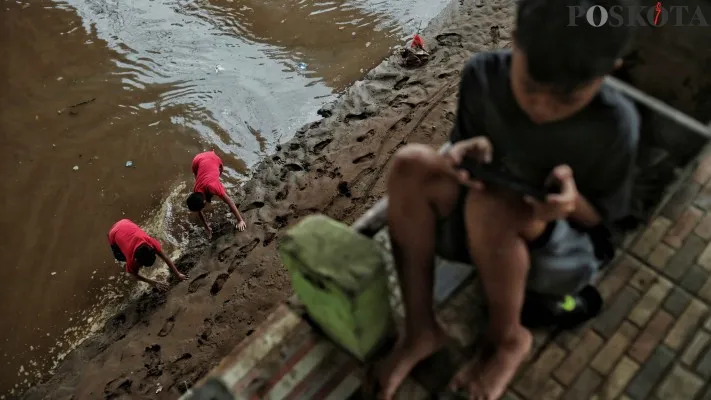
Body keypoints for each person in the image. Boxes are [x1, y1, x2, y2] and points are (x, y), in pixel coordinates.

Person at [375, 0, 639, 399]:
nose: (542, 108)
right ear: (514, 42)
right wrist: (460, 154)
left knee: (494, 206)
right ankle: (419, 331)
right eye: (531, 87)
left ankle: (507, 339)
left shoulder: (615, 125)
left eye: (566, 100)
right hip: (482, 231)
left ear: (610, 71)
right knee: (410, 166)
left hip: (557, 253)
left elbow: (602, 222)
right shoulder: (483, 76)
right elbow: (465, 151)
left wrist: (569, 205)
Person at [108, 219, 188, 291]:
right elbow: (133, 275)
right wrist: (153, 282)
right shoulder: (131, 259)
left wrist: (178, 274)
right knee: (121, 258)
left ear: (153, 250)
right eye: (142, 265)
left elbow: (165, 257)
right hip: (113, 233)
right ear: (136, 260)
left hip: (126, 222)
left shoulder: (151, 242)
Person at [186, 150, 247, 238]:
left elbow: (230, 202)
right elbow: (199, 209)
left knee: (218, 177)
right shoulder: (196, 188)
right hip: (197, 160)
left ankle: (211, 190)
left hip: (213, 158)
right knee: (200, 179)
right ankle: (208, 195)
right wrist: (206, 226)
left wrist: (240, 220)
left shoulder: (213, 186)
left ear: (204, 202)